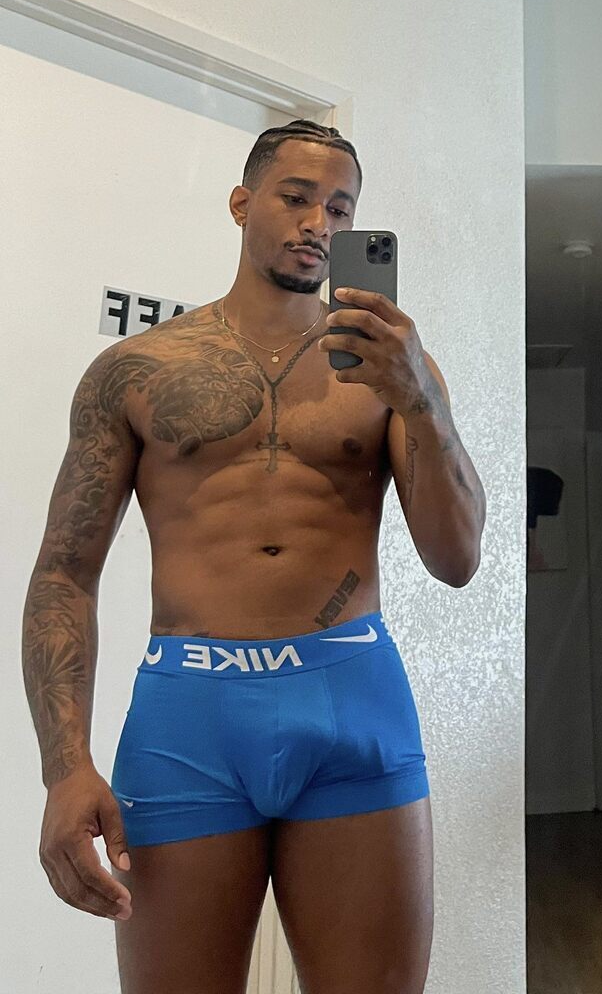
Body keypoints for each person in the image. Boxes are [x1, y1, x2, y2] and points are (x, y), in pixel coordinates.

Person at [21, 119, 486, 994]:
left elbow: (456, 558)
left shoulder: (393, 371)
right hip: (189, 715)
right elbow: (63, 574)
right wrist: (64, 768)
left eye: (340, 209)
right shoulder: (135, 371)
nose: (318, 222)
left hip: (352, 703)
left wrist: (420, 397)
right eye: (297, 197)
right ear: (242, 202)